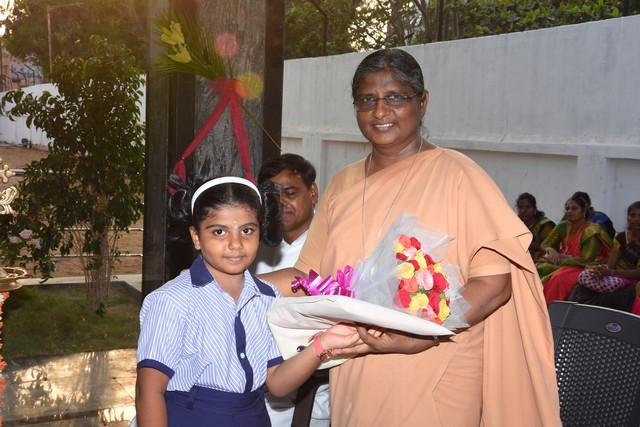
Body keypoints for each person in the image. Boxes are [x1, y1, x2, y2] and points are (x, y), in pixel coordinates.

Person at [261, 49, 561, 426]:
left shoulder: (459, 176)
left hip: (437, 363)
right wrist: (235, 285)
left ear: (423, 103)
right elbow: (306, 277)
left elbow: (494, 285)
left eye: (395, 97)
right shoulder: (343, 183)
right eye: (367, 100)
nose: (380, 111)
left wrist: (422, 335)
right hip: (356, 366)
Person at [134, 176, 360, 426]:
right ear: (196, 236)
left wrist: (322, 345)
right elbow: (149, 391)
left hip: (254, 417)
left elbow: (277, 383)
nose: (236, 244)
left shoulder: (268, 297)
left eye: (247, 230)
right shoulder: (171, 301)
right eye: (219, 231)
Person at [250, 154, 329, 427]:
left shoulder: (333, 244)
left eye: (291, 193)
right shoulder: (253, 244)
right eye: (273, 196)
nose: (281, 202)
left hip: (302, 390)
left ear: (313, 192)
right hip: (246, 373)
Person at [537, 194, 612, 305]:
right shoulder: (562, 226)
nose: (569, 211)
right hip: (564, 263)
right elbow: (544, 244)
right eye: (567, 209)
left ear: (584, 211)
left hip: (585, 266)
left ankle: (551, 310)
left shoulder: (591, 231)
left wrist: (559, 258)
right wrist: (551, 251)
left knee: (559, 278)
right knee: (536, 267)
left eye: (574, 208)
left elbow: (586, 259)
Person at [572, 201, 640, 313]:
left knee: (615, 297)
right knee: (579, 289)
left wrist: (612, 273)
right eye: (632, 215)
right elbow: (611, 264)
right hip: (614, 276)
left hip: (633, 282)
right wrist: (601, 271)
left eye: (639, 216)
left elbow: (638, 273)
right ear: (628, 217)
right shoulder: (621, 237)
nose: (636, 219)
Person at [516, 192, 556, 258]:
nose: (523, 210)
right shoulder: (515, 225)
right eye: (520, 208)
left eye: (527, 207)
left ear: (534, 209)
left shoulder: (544, 225)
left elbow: (553, 249)